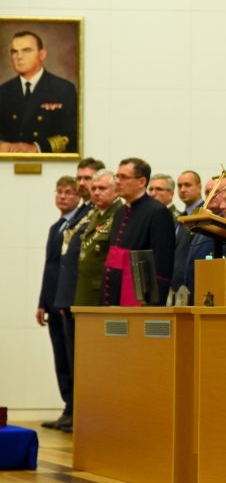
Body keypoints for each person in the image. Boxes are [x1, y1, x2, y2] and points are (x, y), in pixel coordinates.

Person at [50, 157, 104, 432]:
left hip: (85, 300)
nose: (84, 184)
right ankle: (71, 408)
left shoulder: (101, 213)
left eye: (88, 179)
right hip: (65, 298)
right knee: (66, 360)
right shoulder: (83, 214)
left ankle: (81, 412)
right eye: (80, 178)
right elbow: (59, 264)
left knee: (82, 361)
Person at [36, 176, 81, 432]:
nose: (62, 197)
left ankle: (76, 409)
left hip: (67, 301)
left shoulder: (78, 223)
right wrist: (42, 301)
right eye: (59, 192)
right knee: (60, 358)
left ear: (78, 196)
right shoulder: (56, 227)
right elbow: (49, 267)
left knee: (73, 356)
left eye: (68, 192)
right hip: (52, 301)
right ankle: (67, 406)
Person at [100, 158, 176, 305]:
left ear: (141, 182)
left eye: (124, 177)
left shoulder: (158, 212)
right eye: (117, 176)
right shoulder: (120, 212)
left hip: (140, 298)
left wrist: (153, 305)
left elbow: (161, 265)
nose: (118, 181)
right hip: (113, 293)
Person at [0, 31, 78, 153]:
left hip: (49, 162)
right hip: (10, 164)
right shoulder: (3, 91)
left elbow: (72, 134)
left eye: (26, 50)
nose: (19, 57)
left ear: (42, 55)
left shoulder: (63, 89)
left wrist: (37, 148)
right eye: (14, 52)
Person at [74, 170, 124, 306]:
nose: (96, 193)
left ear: (116, 191)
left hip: (103, 291)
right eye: (94, 188)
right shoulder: (95, 215)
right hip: (85, 288)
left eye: (102, 188)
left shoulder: (121, 214)